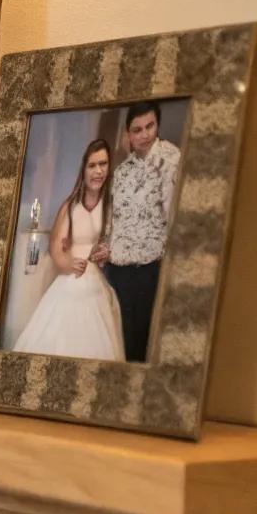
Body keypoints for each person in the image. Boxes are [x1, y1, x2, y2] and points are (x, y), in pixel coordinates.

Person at [13, 139, 124, 360]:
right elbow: (55, 246)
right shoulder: (70, 206)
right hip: (70, 279)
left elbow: (115, 240)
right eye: (92, 165)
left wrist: (107, 251)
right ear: (84, 169)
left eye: (103, 164)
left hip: (96, 283)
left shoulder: (110, 206)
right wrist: (67, 263)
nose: (98, 171)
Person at [104, 101, 181, 362]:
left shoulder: (173, 160)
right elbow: (113, 220)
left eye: (150, 126)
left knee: (143, 348)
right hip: (117, 271)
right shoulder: (122, 172)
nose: (145, 134)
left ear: (157, 125)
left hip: (150, 270)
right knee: (119, 344)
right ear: (128, 133)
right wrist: (105, 247)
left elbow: (176, 220)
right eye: (137, 130)